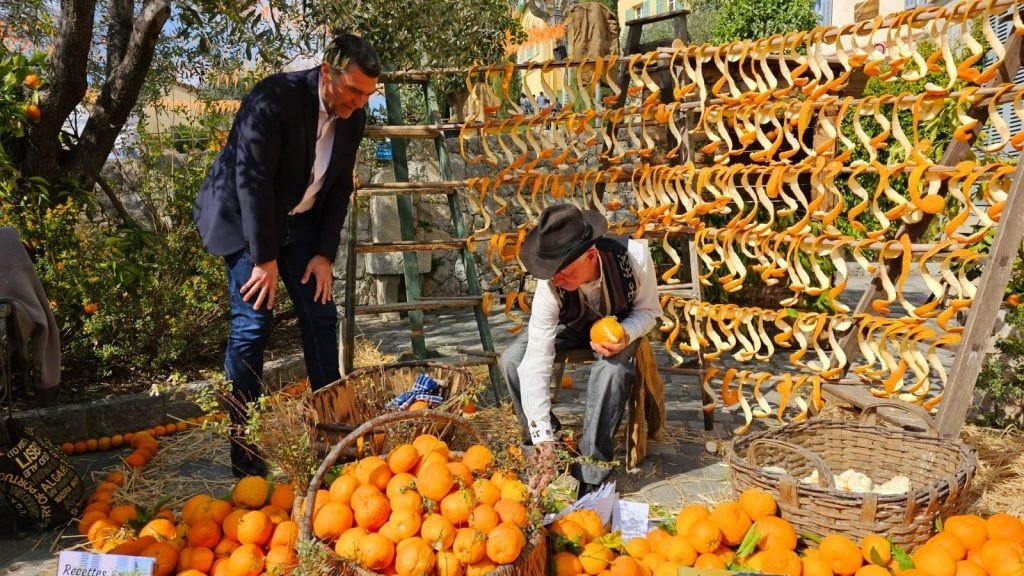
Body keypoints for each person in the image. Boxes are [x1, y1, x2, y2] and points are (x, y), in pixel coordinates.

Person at [192, 33, 381, 478]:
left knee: (320, 315)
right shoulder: (273, 99)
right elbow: (252, 182)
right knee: (253, 326)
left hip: (302, 225)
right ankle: (245, 453)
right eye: (353, 90)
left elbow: (337, 187)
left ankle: (333, 436)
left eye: (367, 94)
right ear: (326, 73)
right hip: (245, 221)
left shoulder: (353, 116)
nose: (359, 102)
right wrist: (264, 258)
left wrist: (323, 254)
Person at [500, 204, 661, 497]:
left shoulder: (635, 257)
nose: (554, 279)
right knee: (512, 359)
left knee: (612, 371)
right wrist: (543, 437)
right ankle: (550, 444)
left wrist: (626, 334)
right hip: (571, 327)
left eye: (561, 271)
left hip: (620, 327)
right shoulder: (550, 285)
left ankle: (591, 468)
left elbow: (649, 311)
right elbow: (537, 358)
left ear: (590, 255)